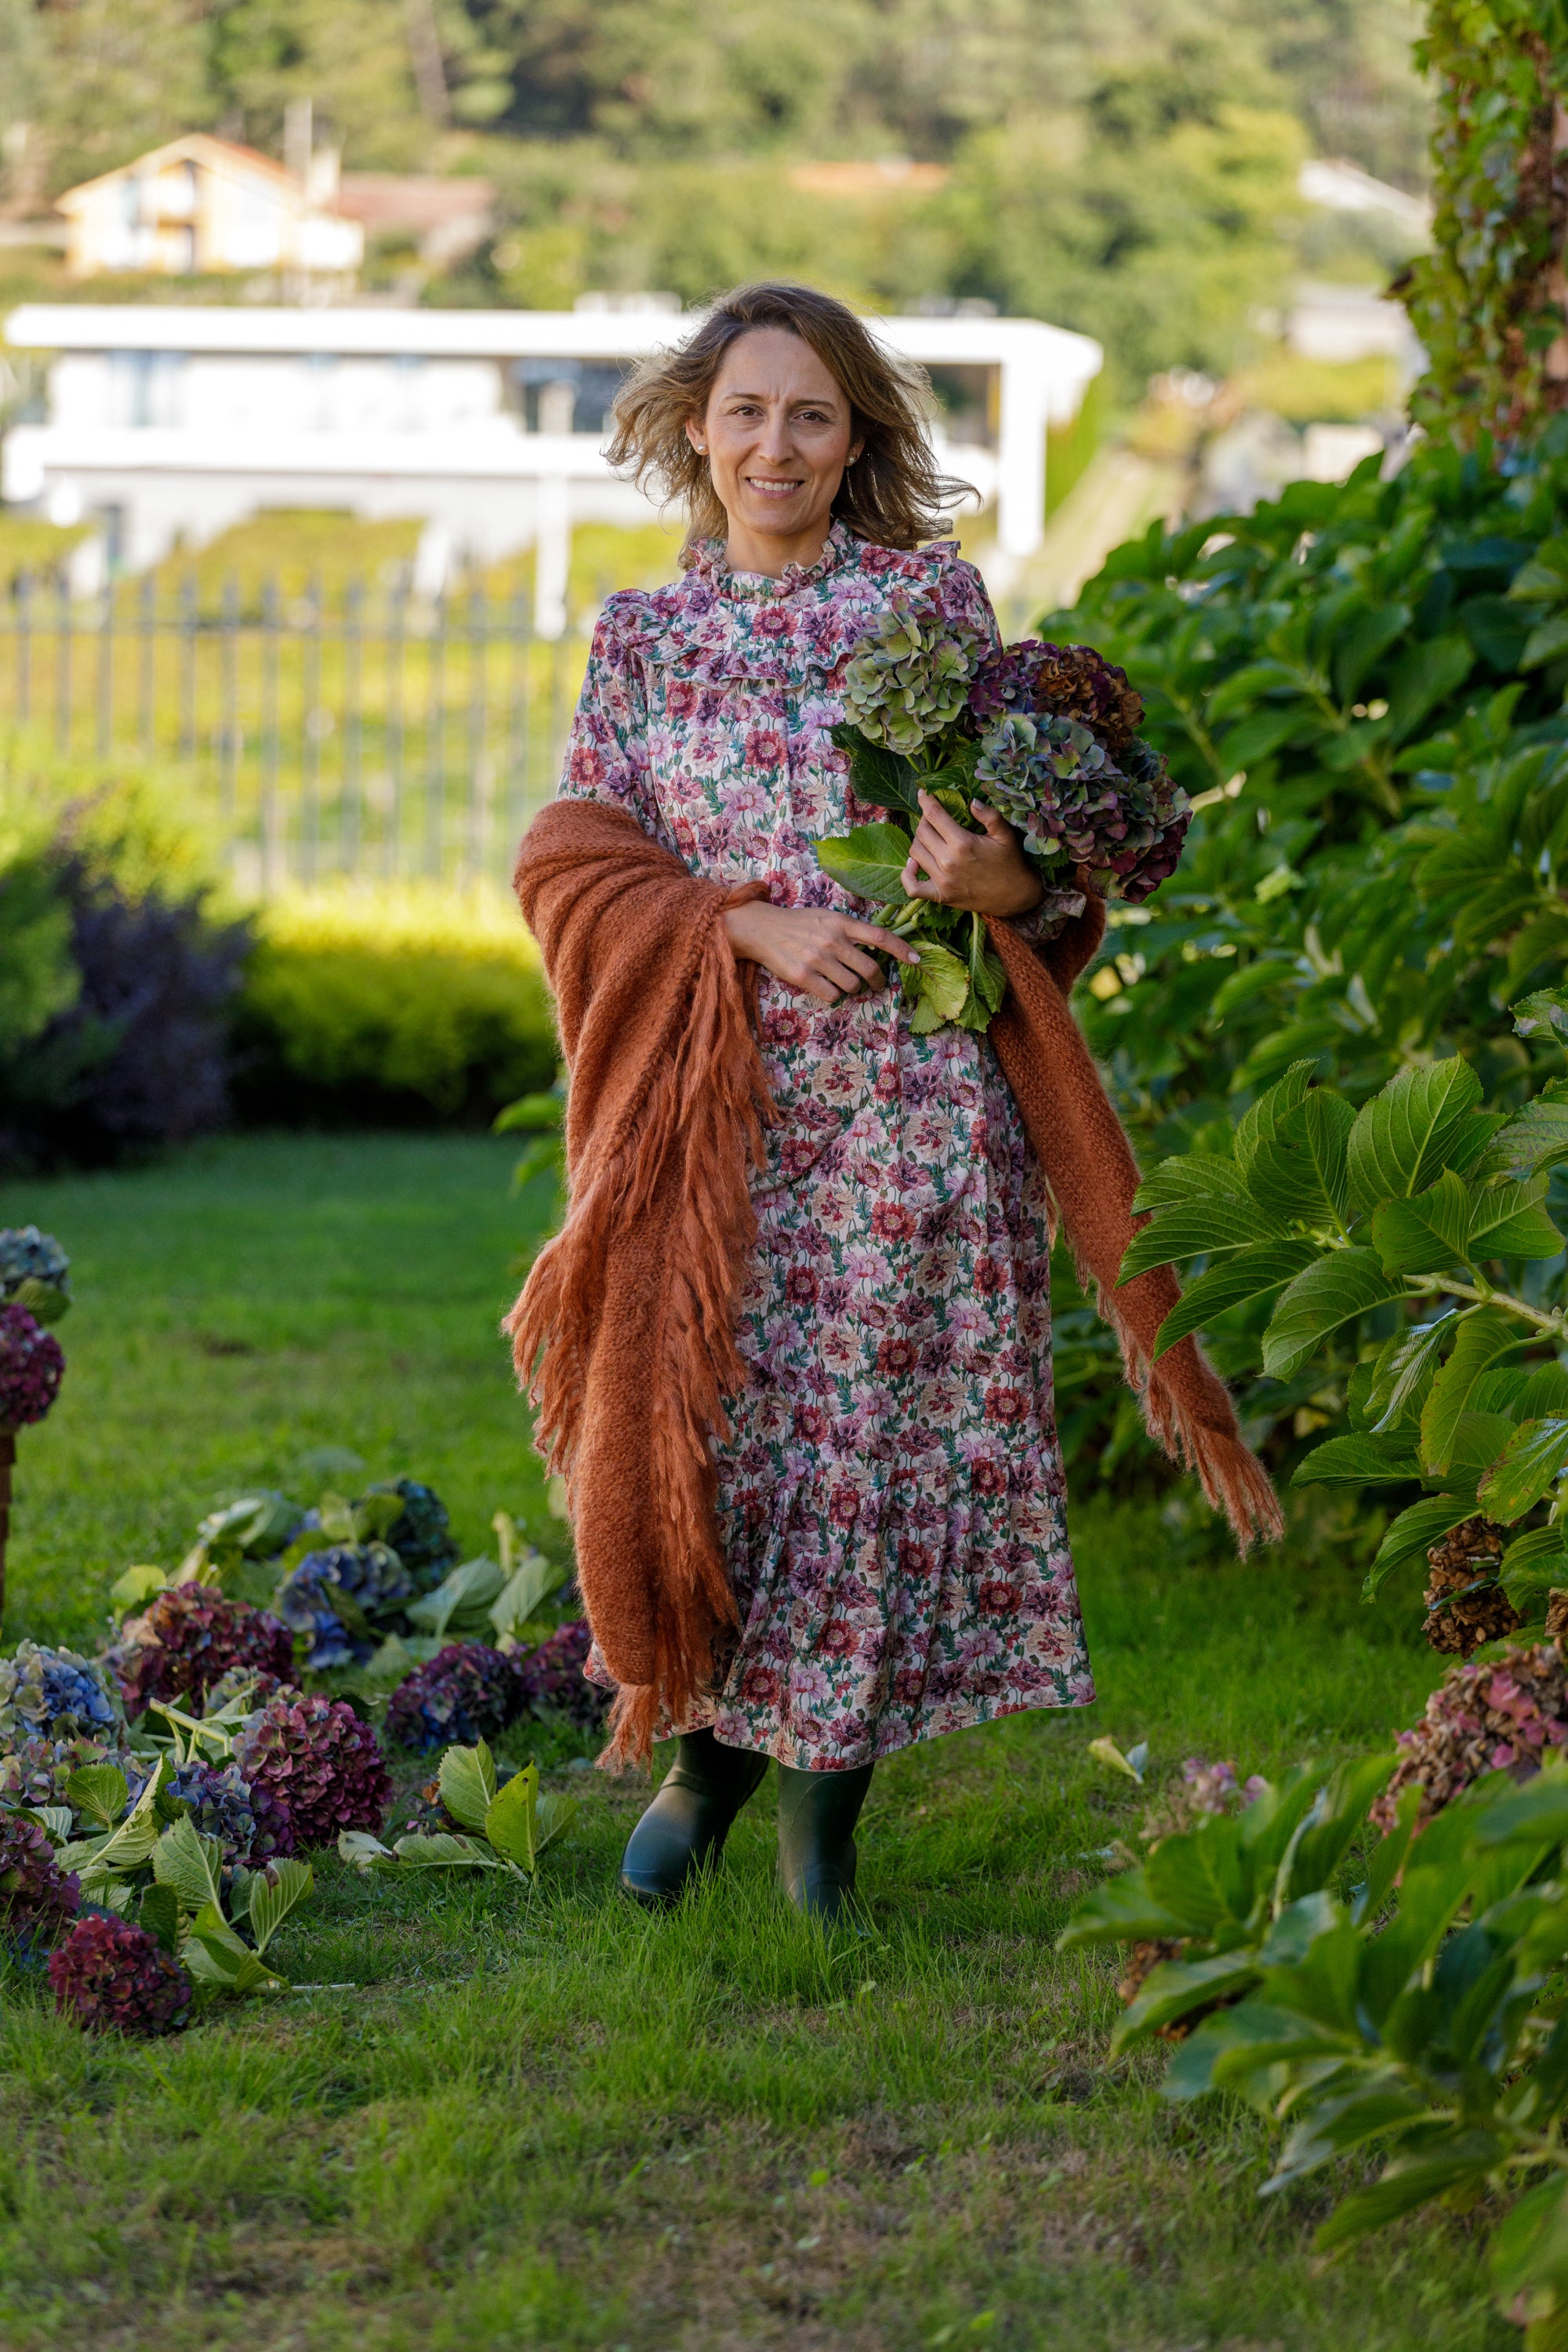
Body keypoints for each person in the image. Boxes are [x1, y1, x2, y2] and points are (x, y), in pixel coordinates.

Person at [508, 281, 1275, 1924]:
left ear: (855, 437)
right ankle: (707, 1764)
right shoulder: (641, 639)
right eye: (746, 412)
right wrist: (739, 926)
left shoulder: (929, 604)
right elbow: (574, 860)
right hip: (724, 1121)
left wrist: (1011, 880)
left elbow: (1032, 863)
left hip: (918, 1121)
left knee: (865, 1456)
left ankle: (821, 1824)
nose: (775, 445)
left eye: (810, 414)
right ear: (697, 431)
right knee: (722, 1443)